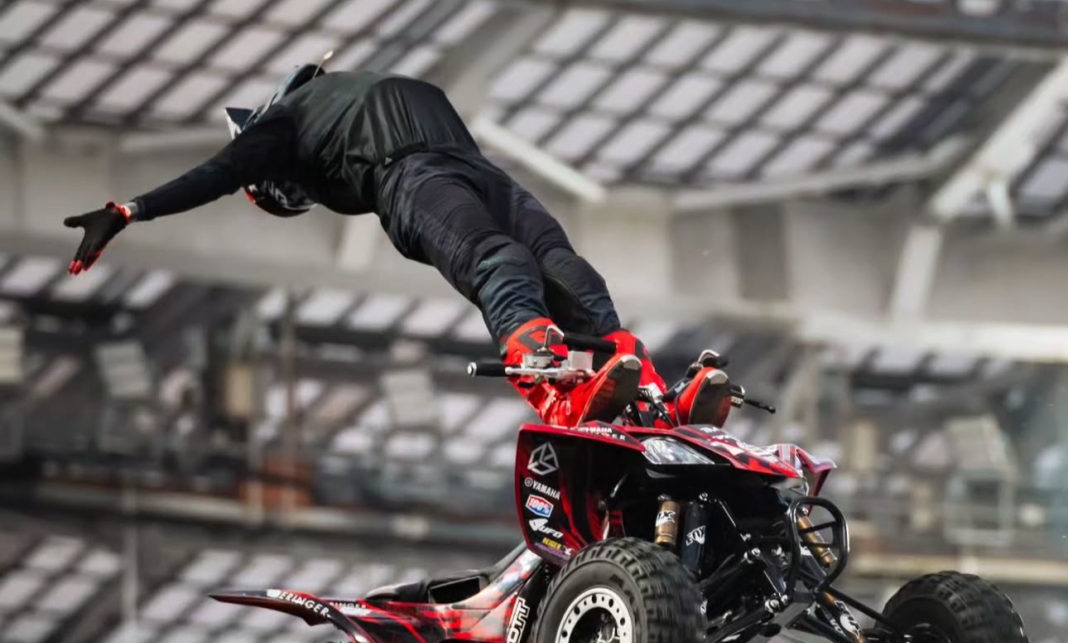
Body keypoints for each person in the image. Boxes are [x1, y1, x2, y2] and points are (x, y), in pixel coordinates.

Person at [64, 62, 725, 428]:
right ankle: (551, 381)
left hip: (468, 168)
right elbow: (218, 176)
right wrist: (133, 211)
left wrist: (128, 210)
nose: (302, 192)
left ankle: (650, 397)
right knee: (503, 262)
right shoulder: (300, 123)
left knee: (572, 276)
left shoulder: (280, 125)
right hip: (412, 179)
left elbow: (218, 172)